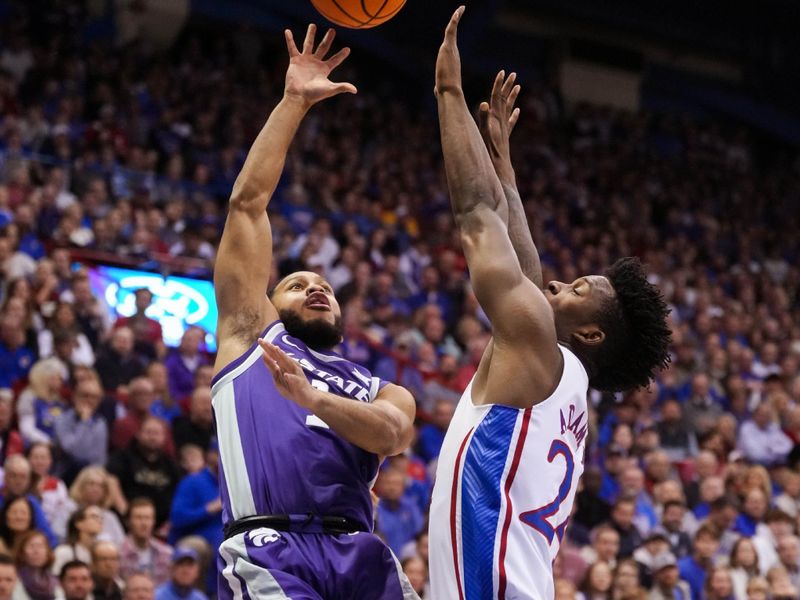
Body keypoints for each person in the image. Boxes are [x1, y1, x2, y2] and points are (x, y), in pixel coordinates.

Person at [428, 8, 671, 600]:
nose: (560, 286)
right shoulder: (563, 391)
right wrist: (505, 164)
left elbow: (476, 219)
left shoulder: (541, 353)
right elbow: (526, 267)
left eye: (578, 291)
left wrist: (448, 91)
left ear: (589, 334)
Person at [211, 23, 417, 600]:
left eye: (324, 286)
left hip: (362, 551)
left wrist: (315, 400)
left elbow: (395, 433)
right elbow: (247, 206)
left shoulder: (377, 385)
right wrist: (293, 102)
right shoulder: (251, 337)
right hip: (271, 550)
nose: (316, 288)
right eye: (298, 284)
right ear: (268, 302)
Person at [118, 499, 172, 587]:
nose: (144, 523)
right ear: (128, 522)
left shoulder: (166, 553)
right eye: (138, 518)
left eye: (147, 518)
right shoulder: (118, 553)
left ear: (153, 522)